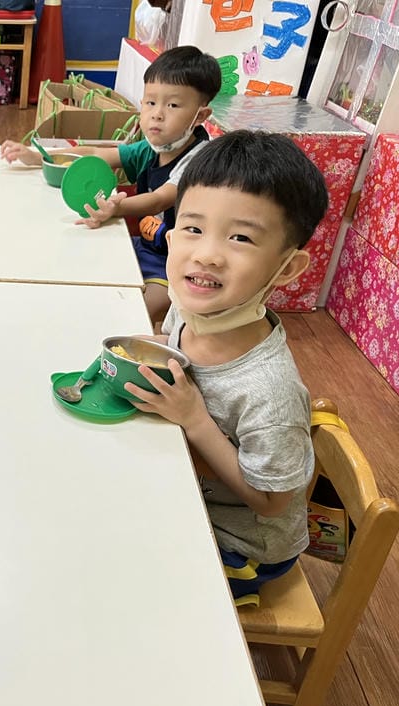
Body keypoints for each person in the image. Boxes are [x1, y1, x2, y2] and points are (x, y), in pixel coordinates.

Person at [125, 130, 329, 607]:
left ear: (287, 267)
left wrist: (195, 418)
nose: (206, 254)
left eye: (240, 237)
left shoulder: (269, 392)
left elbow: (271, 502)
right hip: (187, 487)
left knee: (124, 576)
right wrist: (137, 349)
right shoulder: (189, 310)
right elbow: (176, 347)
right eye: (193, 229)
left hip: (240, 543)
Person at [0, 46, 222, 323]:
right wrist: (40, 157)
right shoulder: (152, 147)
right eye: (150, 102)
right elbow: (97, 154)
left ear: (200, 116)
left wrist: (116, 208)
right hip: (142, 246)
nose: (157, 114)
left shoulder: (199, 160)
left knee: (133, 312)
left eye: (173, 105)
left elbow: (159, 199)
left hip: (177, 265)